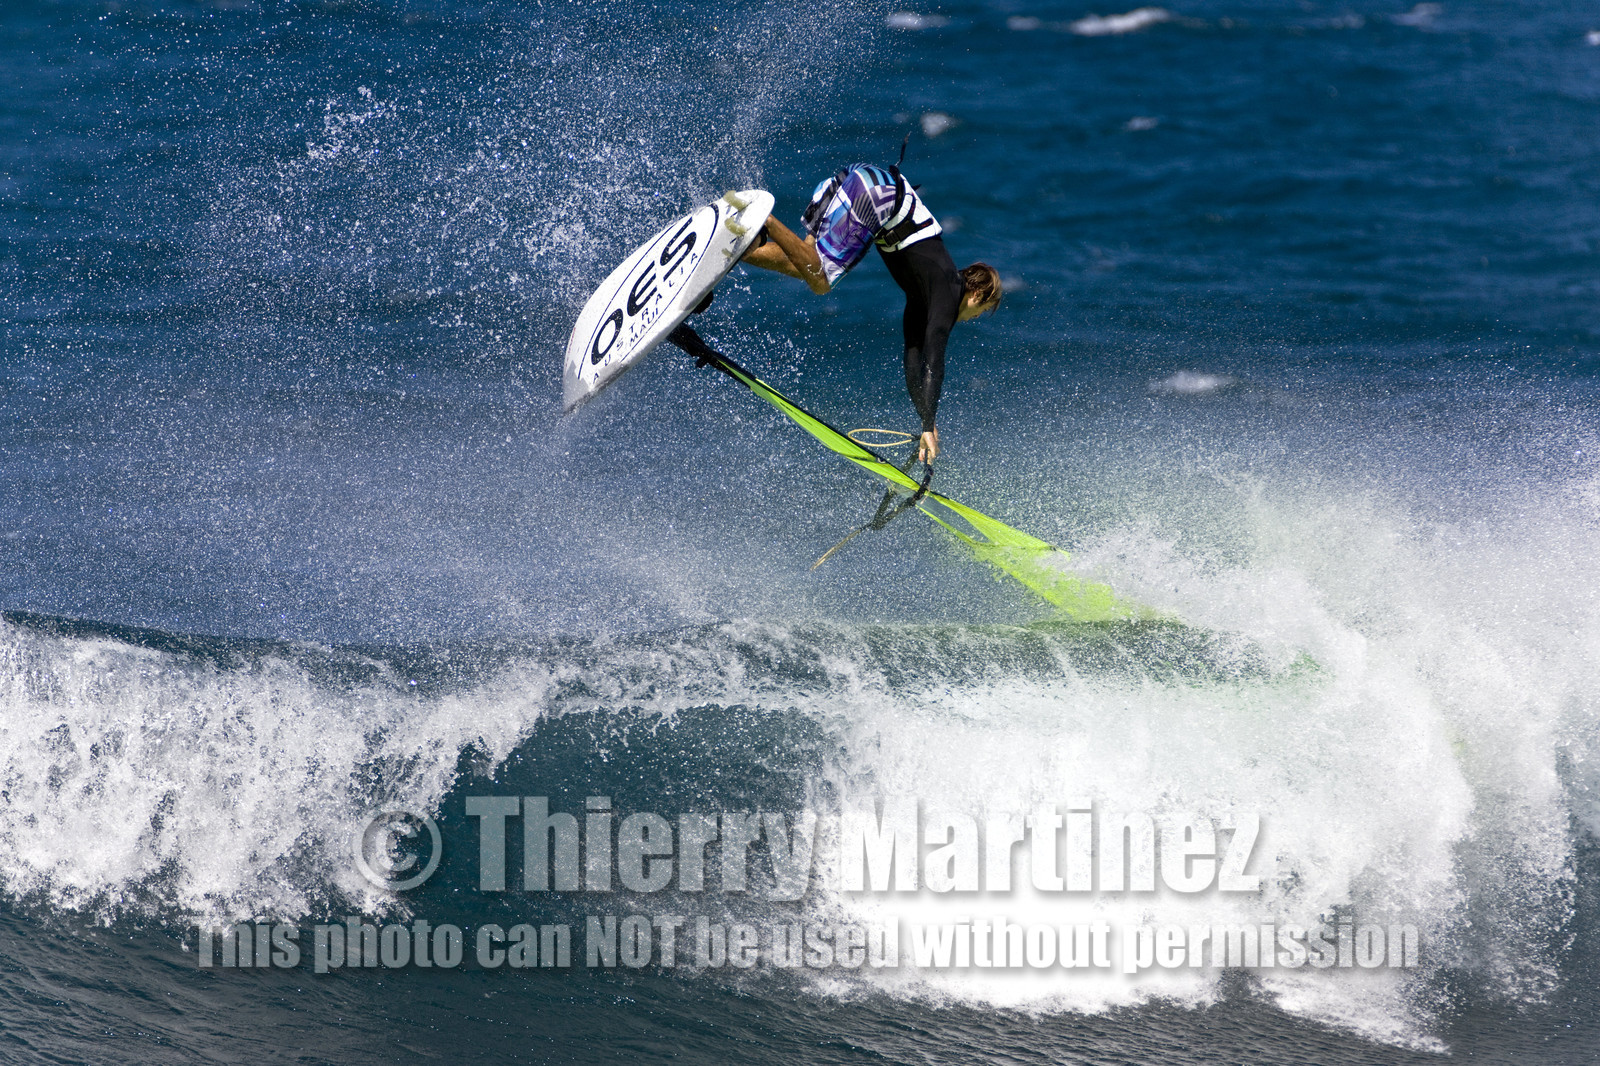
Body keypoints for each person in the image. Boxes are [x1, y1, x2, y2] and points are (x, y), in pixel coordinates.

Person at [740, 163, 1002, 465]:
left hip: (860, 178)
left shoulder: (925, 295)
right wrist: (928, 425)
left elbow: (914, 360)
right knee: (821, 280)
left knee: (804, 262)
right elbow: (934, 363)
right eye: (980, 312)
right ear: (977, 294)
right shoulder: (946, 294)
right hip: (878, 196)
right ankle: (766, 221)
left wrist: (925, 423)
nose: (973, 318)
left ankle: (741, 249)